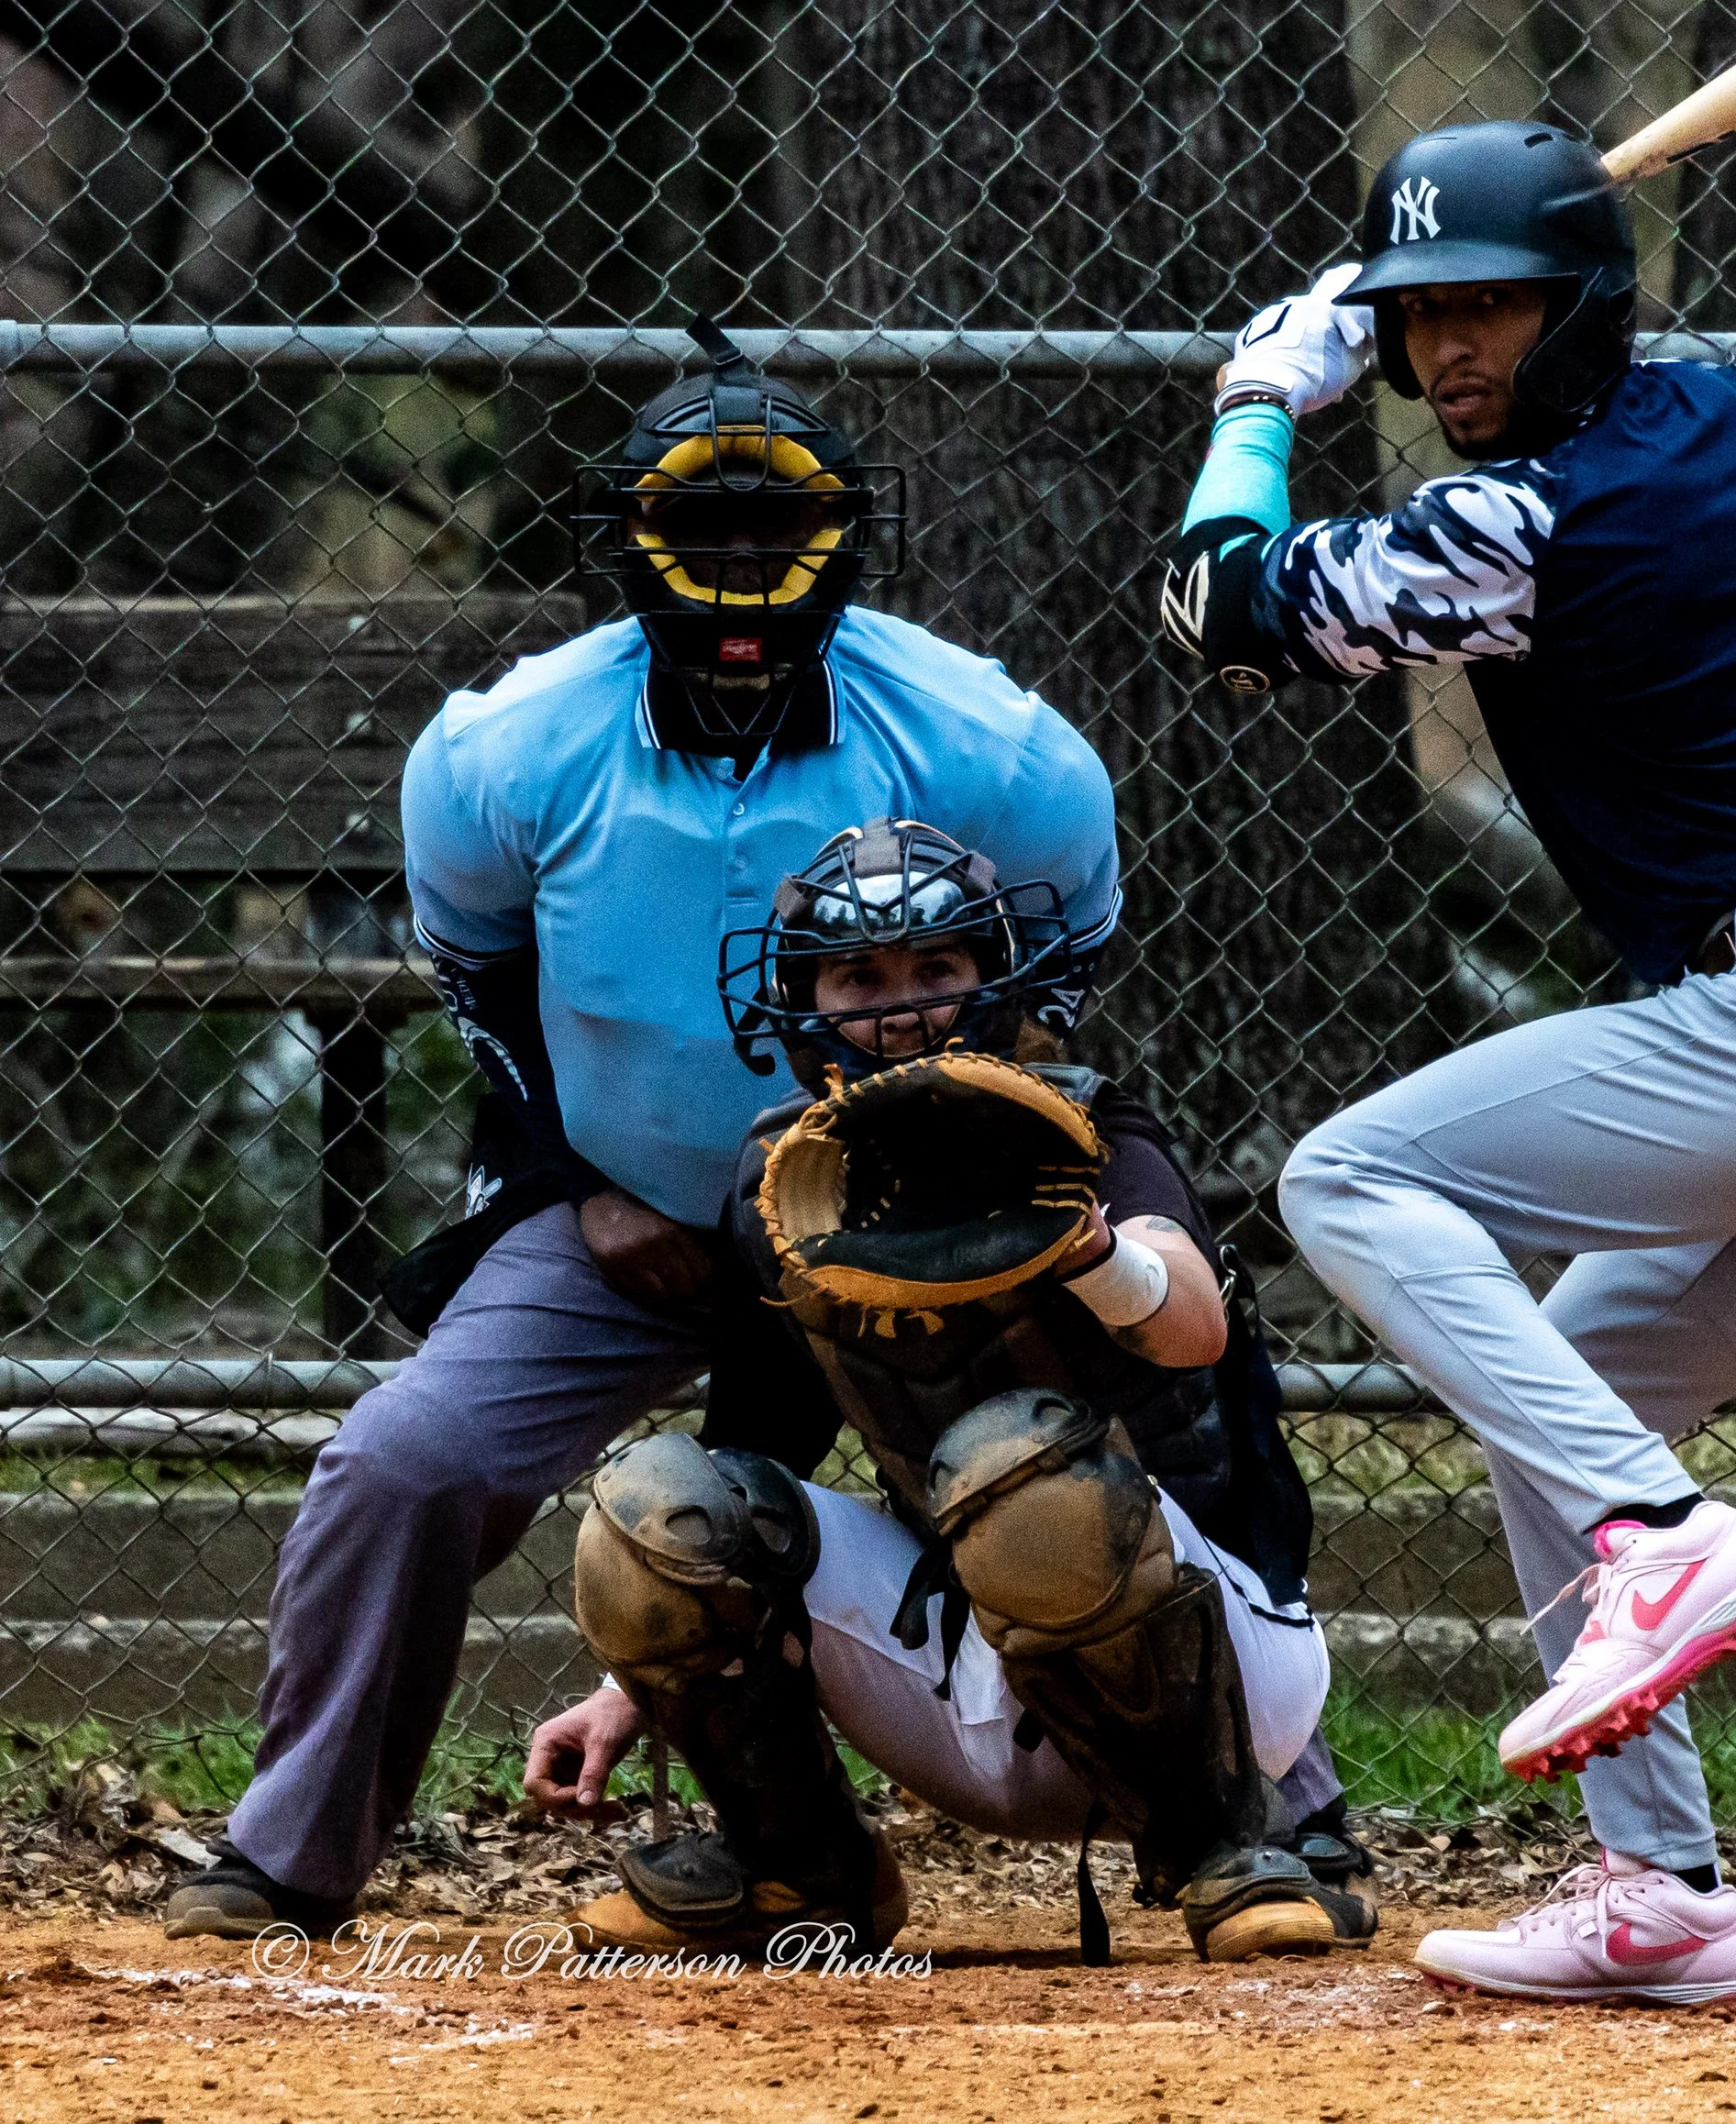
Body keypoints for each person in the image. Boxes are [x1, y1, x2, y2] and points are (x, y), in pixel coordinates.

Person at [1158, 122, 1736, 2003]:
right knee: (1560, 1392)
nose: (1451, 352)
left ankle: (1660, 1536)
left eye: (1490, 307)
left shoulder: (1520, 527)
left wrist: (1259, 397)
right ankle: (1662, 1886)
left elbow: (1218, 611)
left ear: (1580, 309)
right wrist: (1406, 305)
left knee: (1348, 1177)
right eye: (1419, 319)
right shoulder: (1704, 413)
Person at [165, 324, 1122, 1941]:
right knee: (403, 1458)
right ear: (632, 536)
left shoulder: (994, 748)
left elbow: (1054, 983)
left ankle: (1263, 1821)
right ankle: (285, 1853)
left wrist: (909, 1210)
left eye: (779, 525)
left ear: (845, 534)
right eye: (707, 525)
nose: (744, 563)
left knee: (1079, 1463)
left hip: (908, 1222)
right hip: (627, 1205)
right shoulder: (507, 750)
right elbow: (483, 986)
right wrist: (574, 1186)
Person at [523, 818, 1377, 1964]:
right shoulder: (784, 1177)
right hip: (972, 1678)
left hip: (1224, 1666)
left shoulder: (1088, 1126)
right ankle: (801, 1868)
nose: (902, 1004)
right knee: (655, 1499)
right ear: (802, 1000)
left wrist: (1086, 1250)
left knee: (1017, 1457)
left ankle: (1231, 1848)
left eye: (937, 968)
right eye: (859, 976)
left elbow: (1191, 1326)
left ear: (993, 981)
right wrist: (632, 1687)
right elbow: (754, 1452)